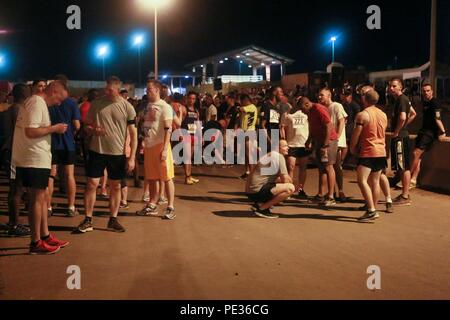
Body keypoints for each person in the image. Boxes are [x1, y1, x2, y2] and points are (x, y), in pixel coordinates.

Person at [12, 81, 69, 254]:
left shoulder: (37, 102)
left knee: (42, 198)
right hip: (32, 159)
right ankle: (35, 242)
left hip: (37, 158)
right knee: (37, 199)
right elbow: (30, 131)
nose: (59, 103)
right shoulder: (36, 102)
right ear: (53, 91)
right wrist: (55, 128)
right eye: (60, 99)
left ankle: (44, 236)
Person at [76, 76, 137, 233]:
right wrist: (93, 130)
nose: (107, 91)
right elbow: (86, 125)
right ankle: (88, 220)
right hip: (97, 151)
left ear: (118, 89)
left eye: (110, 89)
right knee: (91, 185)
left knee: (115, 186)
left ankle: (113, 219)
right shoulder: (97, 104)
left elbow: (133, 134)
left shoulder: (127, 107)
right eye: (106, 88)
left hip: (117, 153)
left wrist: (132, 157)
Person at [136, 80, 176, 220]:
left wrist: (165, 149)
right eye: (147, 89)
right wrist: (143, 142)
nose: (147, 91)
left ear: (157, 90)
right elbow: (147, 126)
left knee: (167, 177)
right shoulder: (148, 106)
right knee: (152, 178)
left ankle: (170, 207)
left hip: (160, 146)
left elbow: (168, 129)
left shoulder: (165, 107)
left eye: (149, 89)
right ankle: (152, 204)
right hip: (149, 146)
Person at [350, 88, 387, 221]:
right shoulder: (383, 114)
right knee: (375, 181)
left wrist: (352, 147)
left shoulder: (362, 115)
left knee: (362, 180)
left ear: (364, 99)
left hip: (368, 151)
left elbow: (356, 134)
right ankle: (373, 208)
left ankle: (371, 210)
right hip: (381, 151)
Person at [47, 75, 81, 217]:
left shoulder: (49, 103)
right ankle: (71, 206)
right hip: (68, 144)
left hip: (51, 143)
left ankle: (48, 207)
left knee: (51, 176)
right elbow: (77, 125)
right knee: (69, 176)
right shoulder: (71, 103)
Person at [1, 84, 32, 237]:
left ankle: (13, 222)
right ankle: (14, 225)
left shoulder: (11, 109)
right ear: (25, 94)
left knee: (16, 189)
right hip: (14, 153)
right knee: (16, 190)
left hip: (11, 153)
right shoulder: (20, 111)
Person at [299, 97, 338, 206]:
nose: (301, 111)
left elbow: (328, 125)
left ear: (307, 104)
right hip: (319, 141)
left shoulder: (319, 109)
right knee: (321, 168)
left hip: (328, 142)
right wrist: (309, 140)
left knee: (329, 167)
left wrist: (325, 144)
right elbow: (312, 128)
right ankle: (320, 195)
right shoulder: (310, 112)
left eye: (302, 108)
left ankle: (331, 196)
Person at [409, 83, 446, 189]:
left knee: (415, 154)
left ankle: (405, 179)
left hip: (429, 133)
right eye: (424, 91)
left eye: (428, 90)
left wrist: (443, 132)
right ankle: (413, 180)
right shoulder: (425, 102)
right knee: (418, 158)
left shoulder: (435, 103)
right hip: (423, 132)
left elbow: (437, 118)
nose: (426, 93)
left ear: (432, 91)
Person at [246, 139, 295, 219]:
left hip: (250, 191)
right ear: (277, 147)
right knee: (290, 188)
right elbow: (285, 180)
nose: (288, 148)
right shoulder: (279, 156)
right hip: (256, 191)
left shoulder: (270, 155)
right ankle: (262, 208)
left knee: (279, 181)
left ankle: (258, 204)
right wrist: (293, 183)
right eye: (285, 146)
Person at [388, 78, 417, 206]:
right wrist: (403, 126)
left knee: (404, 166)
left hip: (400, 137)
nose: (391, 88)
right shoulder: (403, 100)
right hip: (402, 135)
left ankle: (405, 196)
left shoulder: (401, 99)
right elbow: (413, 113)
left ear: (400, 87)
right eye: (390, 86)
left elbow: (403, 116)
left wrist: (397, 131)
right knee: (402, 166)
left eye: (394, 86)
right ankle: (404, 195)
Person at [318, 88, 348, 202]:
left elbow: (341, 121)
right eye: (319, 95)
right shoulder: (324, 108)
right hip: (330, 141)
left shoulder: (336, 106)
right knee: (329, 166)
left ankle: (339, 191)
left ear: (329, 95)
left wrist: (338, 137)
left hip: (336, 141)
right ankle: (331, 191)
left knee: (335, 166)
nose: (320, 97)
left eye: (322, 95)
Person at [280, 100, 311, 198]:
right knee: (290, 167)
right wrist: (284, 141)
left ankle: (301, 189)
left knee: (303, 167)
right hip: (291, 144)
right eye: (296, 101)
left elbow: (311, 127)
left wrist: (310, 141)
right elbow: (282, 127)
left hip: (304, 144)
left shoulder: (307, 114)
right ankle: (289, 189)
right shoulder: (287, 114)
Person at [180, 92, 201, 185]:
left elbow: (198, 124)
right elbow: (179, 122)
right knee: (187, 157)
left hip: (194, 135)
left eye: (193, 99)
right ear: (187, 98)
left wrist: (201, 136)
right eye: (190, 98)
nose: (192, 100)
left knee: (190, 157)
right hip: (186, 134)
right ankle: (187, 177)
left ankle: (189, 176)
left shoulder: (196, 110)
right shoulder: (184, 109)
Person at [237, 94, 258, 179]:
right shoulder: (248, 108)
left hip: (249, 131)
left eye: (241, 101)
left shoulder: (251, 107)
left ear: (245, 100)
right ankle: (247, 172)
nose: (241, 103)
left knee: (249, 154)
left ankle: (252, 174)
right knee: (246, 154)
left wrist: (238, 107)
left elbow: (239, 109)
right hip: (245, 131)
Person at [340, 85, 361, 167]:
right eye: (344, 95)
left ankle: (342, 161)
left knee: (346, 144)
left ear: (350, 95)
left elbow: (357, 118)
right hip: (344, 127)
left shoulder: (355, 105)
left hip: (351, 128)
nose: (345, 97)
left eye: (347, 95)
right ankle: (342, 161)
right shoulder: (342, 105)